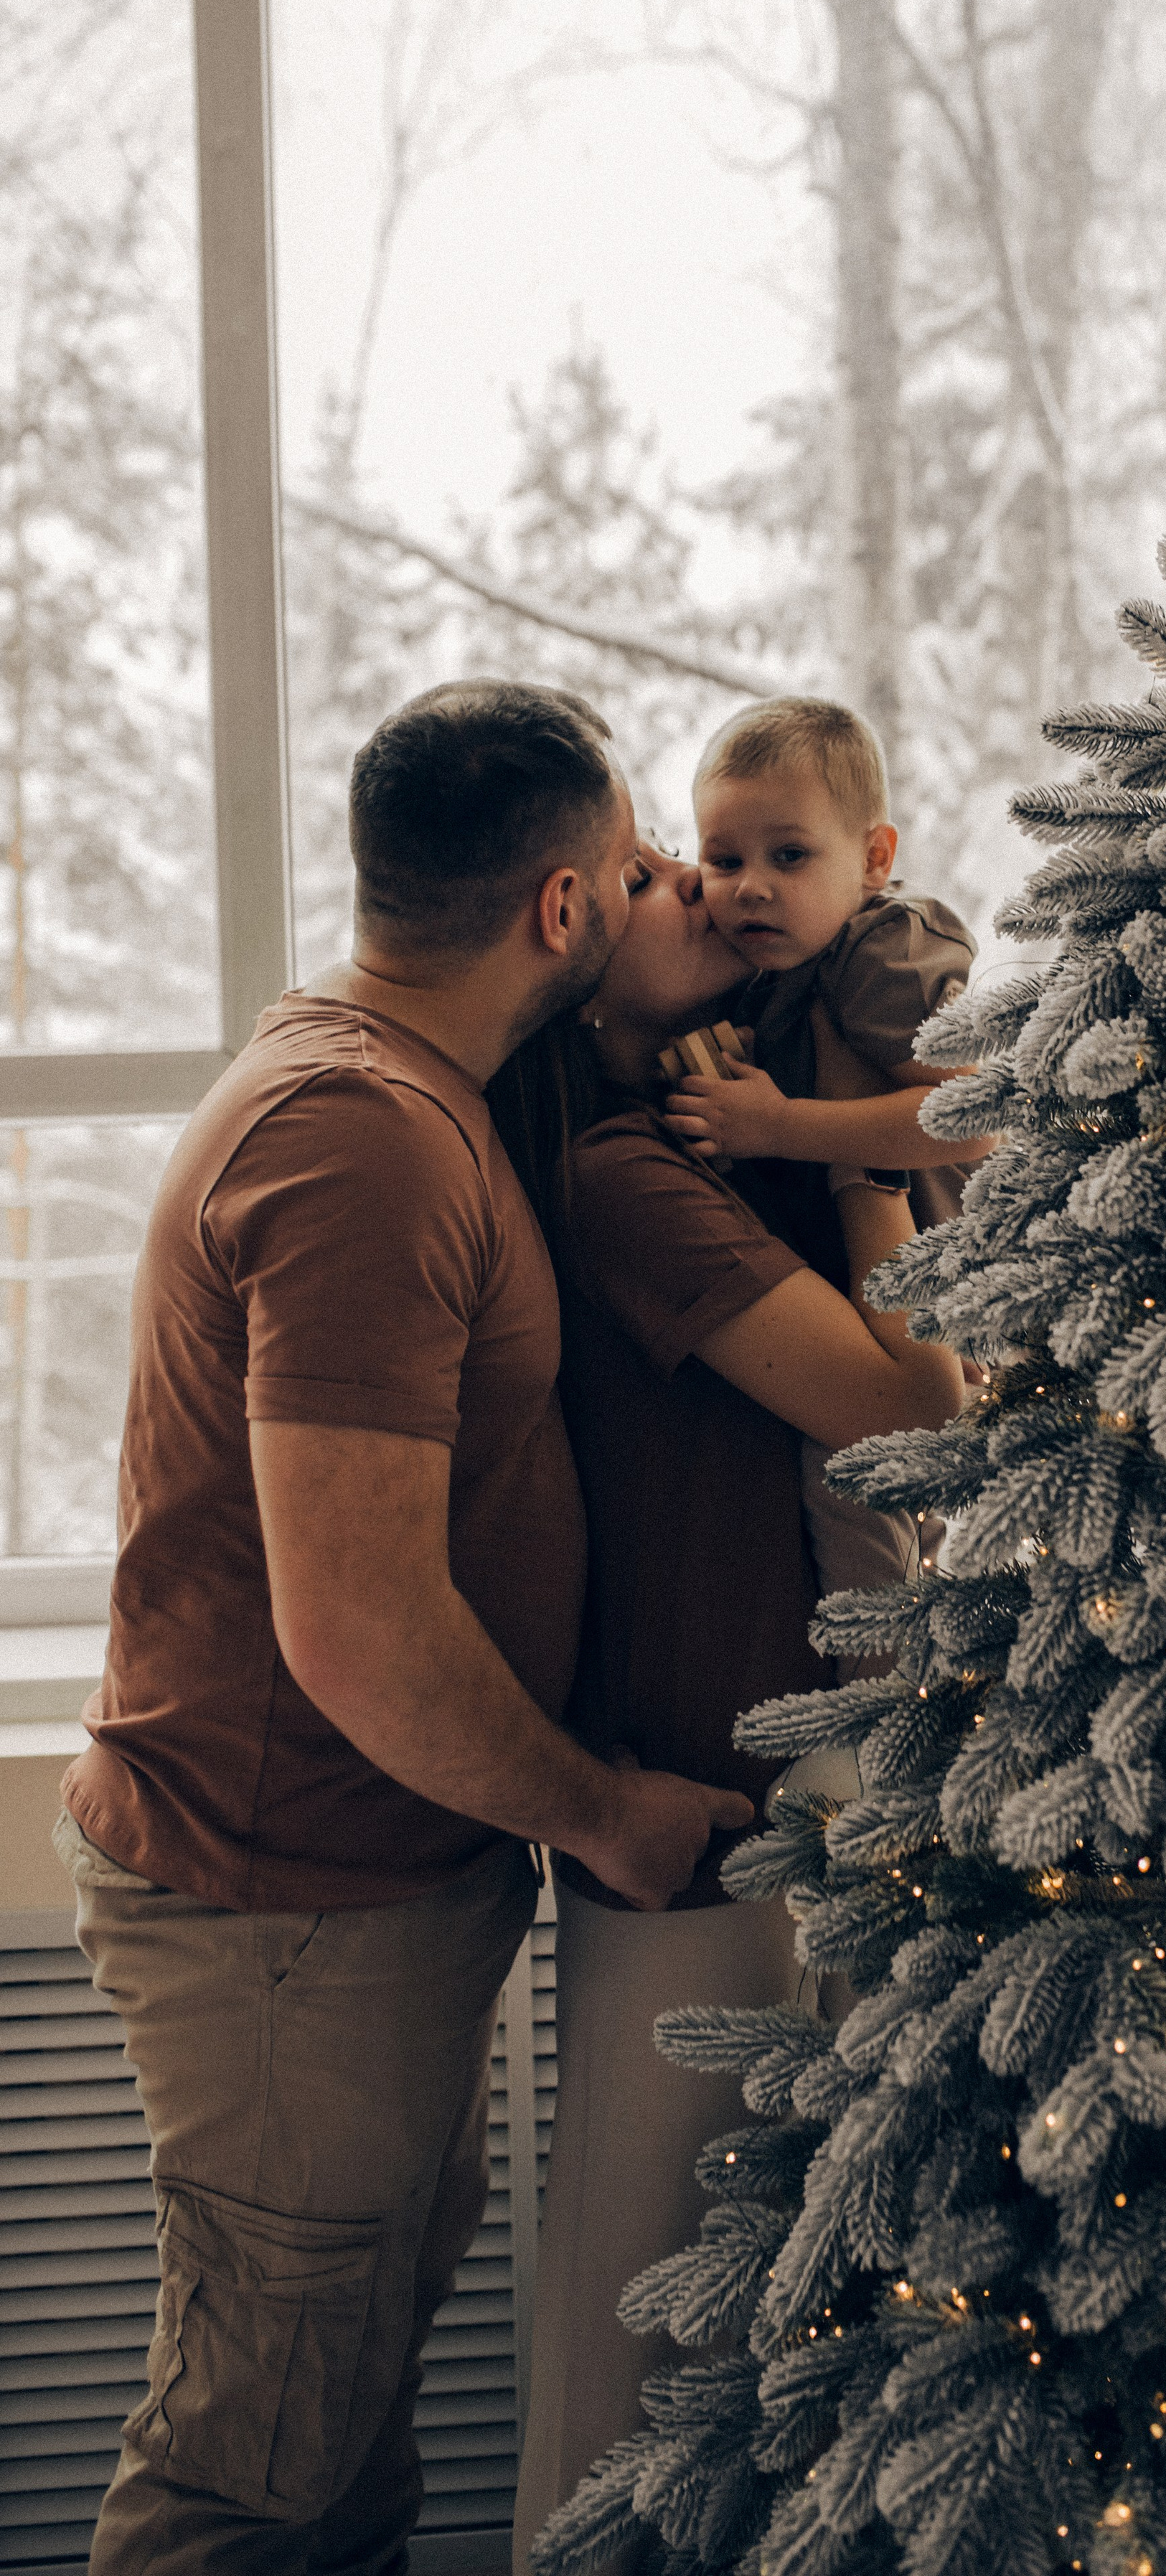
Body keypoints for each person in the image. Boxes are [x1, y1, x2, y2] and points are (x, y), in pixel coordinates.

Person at [55, 680, 756, 2576]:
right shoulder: (362, 1148)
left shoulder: (407, 1085)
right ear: (553, 908)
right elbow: (356, 1627)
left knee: (336, 2446)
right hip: (295, 1911)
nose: (672, 893)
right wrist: (606, 1814)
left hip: (345, 1900)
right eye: (634, 872)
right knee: (252, 2481)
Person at [492, 849, 964, 2568]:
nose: (703, 876)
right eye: (650, 873)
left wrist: (821, 1114)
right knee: (639, 2325)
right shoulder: (623, 1173)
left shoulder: (716, 1139)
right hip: (698, 1791)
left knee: (781, 2314)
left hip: (813, 1768)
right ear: (583, 974)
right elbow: (916, 1401)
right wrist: (838, 1129)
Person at [662, 694, 994, 1604]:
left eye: (789, 856)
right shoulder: (759, 972)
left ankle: (879, 1700)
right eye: (722, 860)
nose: (750, 886)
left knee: (857, 1489)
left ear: (874, 859)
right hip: (851, 1302)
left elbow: (969, 1114)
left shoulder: (882, 950)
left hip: (940, 1288)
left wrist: (780, 1126)